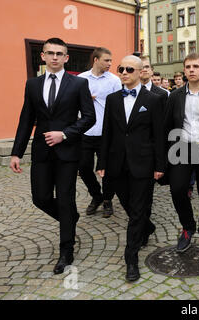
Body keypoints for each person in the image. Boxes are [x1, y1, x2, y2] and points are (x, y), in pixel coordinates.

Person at [10, 38, 96, 274]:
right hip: (41, 152)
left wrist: (65, 134)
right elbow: (26, 119)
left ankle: (66, 250)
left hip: (68, 151)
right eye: (51, 53)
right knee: (41, 198)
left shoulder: (78, 84)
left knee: (66, 199)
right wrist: (16, 152)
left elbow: (89, 117)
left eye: (60, 53)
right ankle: (70, 219)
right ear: (43, 56)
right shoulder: (32, 85)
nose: (55, 57)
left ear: (66, 58)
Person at [97, 55, 165, 282]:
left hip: (143, 164)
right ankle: (147, 226)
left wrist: (159, 165)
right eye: (120, 69)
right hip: (117, 163)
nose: (123, 73)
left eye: (128, 69)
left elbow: (159, 136)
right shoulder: (113, 99)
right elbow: (106, 131)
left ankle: (131, 258)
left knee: (136, 211)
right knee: (127, 204)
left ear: (139, 72)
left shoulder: (153, 100)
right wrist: (102, 162)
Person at [164, 53, 199, 253]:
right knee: (177, 189)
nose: (192, 70)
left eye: (196, 66)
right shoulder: (176, 96)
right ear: (184, 70)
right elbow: (167, 126)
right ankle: (188, 227)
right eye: (188, 67)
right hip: (182, 148)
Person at [78, 47, 121, 218]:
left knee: (108, 170)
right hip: (85, 132)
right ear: (96, 60)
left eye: (111, 60)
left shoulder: (114, 80)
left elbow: (118, 106)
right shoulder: (81, 79)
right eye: (106, 60)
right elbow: (72, 104)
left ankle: (108, 200)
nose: (110, 64)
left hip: (106, 133)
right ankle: (97, 196)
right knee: (83, 168)